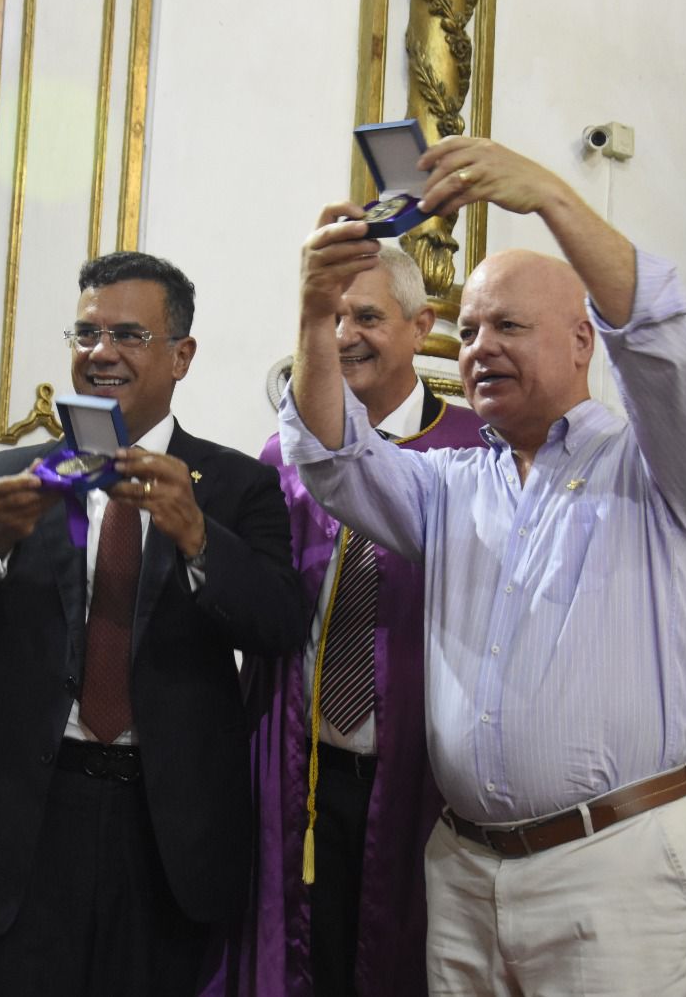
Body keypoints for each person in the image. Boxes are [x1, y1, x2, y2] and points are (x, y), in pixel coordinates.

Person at [281, 137, 686, 996]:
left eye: (509, 327)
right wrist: (313, 314)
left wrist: (552, 198)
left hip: (610, 870)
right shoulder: (447, 483)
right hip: (464, 871)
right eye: (470, 329)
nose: (478, 348)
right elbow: (332, 460)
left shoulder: (653, 463)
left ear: (582, 339)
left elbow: (666, 343)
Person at [0, 251, 310, 996]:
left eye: (128, 334)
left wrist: (198, 537)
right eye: (85, 335)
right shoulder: (6, 480)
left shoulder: (239, 485)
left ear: (181, 355)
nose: (101, 353)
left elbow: (279, 624)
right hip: (29, 826)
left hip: (167, 834)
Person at [219, 243, 483, 996]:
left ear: (421, 325)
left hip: (422, 776)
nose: (344, 335)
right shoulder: (285, 454)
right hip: (304, 765)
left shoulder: (476, 450)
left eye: (366, 315)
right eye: (332, 316)